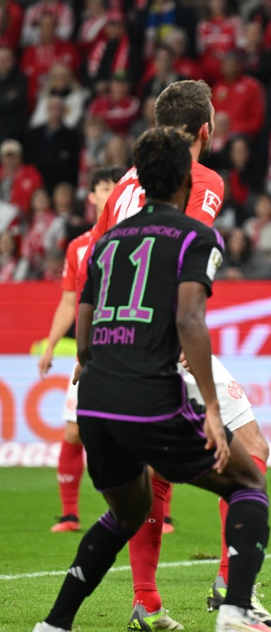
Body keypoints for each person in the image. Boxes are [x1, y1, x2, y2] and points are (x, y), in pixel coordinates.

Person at [31, 128, 271, 632]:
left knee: (126, 510)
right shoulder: (195, 235)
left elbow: (84, 330)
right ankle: (236, 610)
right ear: (187, 178)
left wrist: (95, 369)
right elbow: (188, 320)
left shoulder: (102, 244)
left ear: (135, 179)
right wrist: (208, 405)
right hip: (150, 390)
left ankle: (55, 624)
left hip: (95, 394)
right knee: (248, 480)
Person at [82, 80, 271, 632]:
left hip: (116, 340)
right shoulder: (201, 178)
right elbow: (183, 248)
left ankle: (146, 603)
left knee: (156, 473)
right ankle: (232, 591)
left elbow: (92, 264)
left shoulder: (124, 184)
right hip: (168, 336)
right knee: (252, 450)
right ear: (206, 129)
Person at [35, 166, 120, 534]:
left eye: (117, 186)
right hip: (93, 347)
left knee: (144, 428)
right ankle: (70, 514)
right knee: (73, 432)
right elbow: (69, 302)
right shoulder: (79, 246)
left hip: (134, 343)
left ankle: (158, 514)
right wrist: (51, 344)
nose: (112, 191)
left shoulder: (143, 236)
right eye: (104, 187)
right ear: (91, 196)